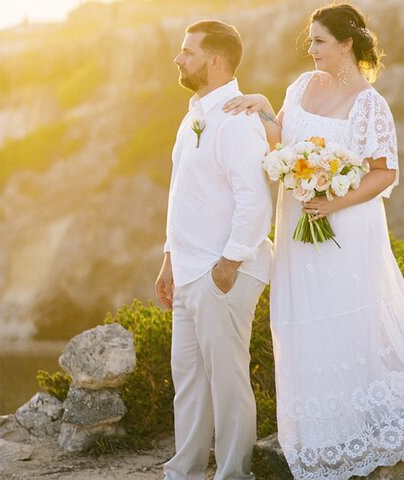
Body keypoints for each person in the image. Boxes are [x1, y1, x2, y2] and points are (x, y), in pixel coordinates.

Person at [222, 3, 404, 479]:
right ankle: (321, 427)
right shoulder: (301, 85)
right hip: (299, 219)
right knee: (301, 314)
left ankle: (357, 421)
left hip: (344, 226)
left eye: (319, 41)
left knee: (344, 311)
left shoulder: (370, 104)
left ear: (347, 44)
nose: (311, 49)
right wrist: (261, 108)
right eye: (310, 40)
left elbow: (385, 173)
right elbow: (283, 139)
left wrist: (332, 202)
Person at [156, 20, 273, 480]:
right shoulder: (193, 115)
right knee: (188, 382)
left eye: (188, 51)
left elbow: (254, 199)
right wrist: (168, 258)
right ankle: (182, 472)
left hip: (222, 272)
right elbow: (181, 193)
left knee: (227, 384)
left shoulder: (239, 118)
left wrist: (228, 264)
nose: (178, 58)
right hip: (187, 270)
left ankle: (232, 474)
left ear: (215, 60)